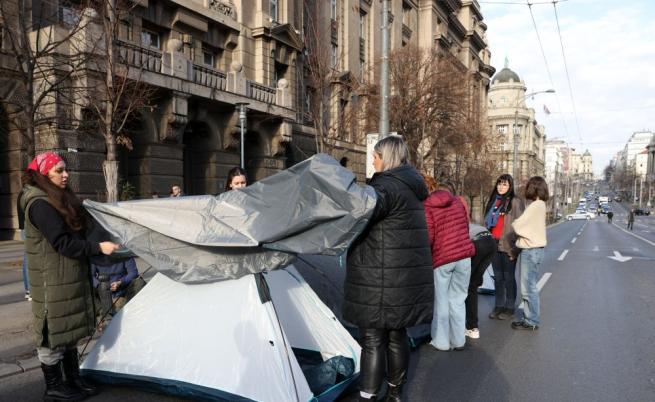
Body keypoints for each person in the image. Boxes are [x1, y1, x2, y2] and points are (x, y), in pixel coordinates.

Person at [20, 151, 120, 401]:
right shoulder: (40, 203)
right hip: (52, 280)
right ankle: (54, 386)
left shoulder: (56, 197)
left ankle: (73, 379)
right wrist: (99, 248)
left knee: (67, 330)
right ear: (44, 174)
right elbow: (63, 243)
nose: (65, 175)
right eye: (59, 171)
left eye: (66, 170)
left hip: (67, 276)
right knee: (51, 333)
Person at [343, 136, 433, 402]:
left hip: (378, 278)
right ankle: (395, 392)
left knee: (372, 340)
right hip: (403, 280)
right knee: (397, 336)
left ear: (387, 158)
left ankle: (368, 396)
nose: (372, 160)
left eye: (376, 155)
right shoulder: (410, 188)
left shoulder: (386, 188)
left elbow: (360, 213)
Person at [422, 176, 475, 351]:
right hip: (464, 257)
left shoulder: (428, 205)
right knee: (458, 299)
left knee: (441, 300)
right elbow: (466, 228)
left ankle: (441, 342)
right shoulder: (458, 203)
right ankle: (459, 340)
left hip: (442, 259)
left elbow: (428, 236)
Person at [484, 174, 524, 321]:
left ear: (510, 186)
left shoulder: (515, 202)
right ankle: (499, 305)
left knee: (508, 277)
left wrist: (516, 248)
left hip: (509, 244)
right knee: (498, 277)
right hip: (493, 243)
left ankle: (510, 307)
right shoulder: (494, 201)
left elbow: (521, 226)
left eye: (505, 184)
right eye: (499, 184)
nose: (501, 187)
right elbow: (487, 223)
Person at [511, 176, 549, 331]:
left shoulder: (535, 206)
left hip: (531, 250)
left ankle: (532, 320)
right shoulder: (541, 205)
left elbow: (518, 225)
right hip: (536, 250)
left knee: (528, 288)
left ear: (533, 187)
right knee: (529, 286)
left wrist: (515, 224)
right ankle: (529, 317)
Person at [465, 222, 497, 339]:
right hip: (491, 242)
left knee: (468, 287)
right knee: (473, 285)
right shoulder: (467, 222)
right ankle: (473, 327)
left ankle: (470, 327)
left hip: (477, 243)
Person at [16, 189, 31, 300]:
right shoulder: (27, 193)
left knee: (27, 258)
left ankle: (28, 290)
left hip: (24, 228)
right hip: (28, 228)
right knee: (29, 258)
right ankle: (29, 289)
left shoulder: (23, 192)